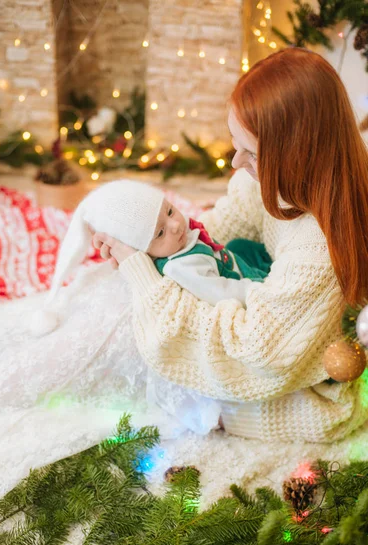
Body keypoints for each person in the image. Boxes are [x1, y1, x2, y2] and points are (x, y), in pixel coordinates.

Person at [92, 47, 368, 443]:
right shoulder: (275, 179)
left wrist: (145, 278)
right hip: (272, 324)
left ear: (297, 154)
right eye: (235, 142)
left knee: (148, 378)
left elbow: (255, 351)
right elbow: (215, 230)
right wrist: (143, 245)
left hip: (307, 386)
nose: (236, 162)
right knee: (113, 314)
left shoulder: (319, 252)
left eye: (251, 152)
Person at [32, 179, 272, 336]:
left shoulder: (173, 242)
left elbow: (192, 230)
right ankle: (270, 277)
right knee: (256, 274)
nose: (176, 225)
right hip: (237, 282)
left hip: (227, 258)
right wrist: (257, 289)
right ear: (143, 251)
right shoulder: (181, 268)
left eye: (169, 210)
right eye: (159, 232)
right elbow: (222, 292)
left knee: (239, 244)